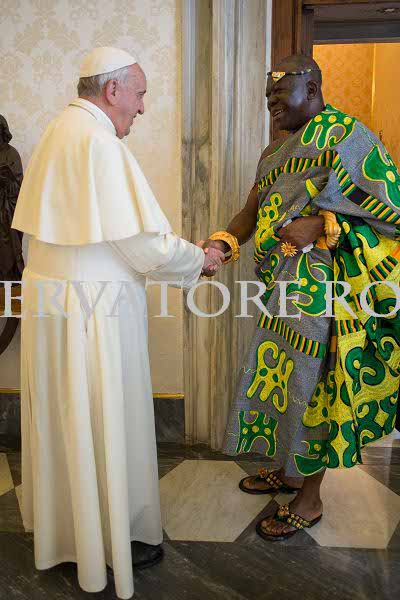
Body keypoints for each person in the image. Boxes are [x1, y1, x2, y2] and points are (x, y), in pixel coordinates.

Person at [12, 47, 224, 599]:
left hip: (54, 307)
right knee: (104, 414)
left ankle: (70, 534)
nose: (143, 107)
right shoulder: (100, 143)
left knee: (67, 418)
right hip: (94, 317)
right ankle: (110, 541)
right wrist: (198, 259)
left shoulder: (60, 130)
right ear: (113, 91)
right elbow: (144, 243)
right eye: (140, 94)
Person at [202, 54, 400, 541]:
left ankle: (309, 499)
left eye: (279, 94)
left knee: (315, 386)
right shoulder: (273, 151)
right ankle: (289, 472)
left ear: (311, 90)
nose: (271, 103)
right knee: (281, 375)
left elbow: (391, 211)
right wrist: (221, 245)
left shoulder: (348, 137)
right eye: (267, 96)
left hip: (328, 289)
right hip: (281, 286)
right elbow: (250, 211)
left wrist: (322, 223)